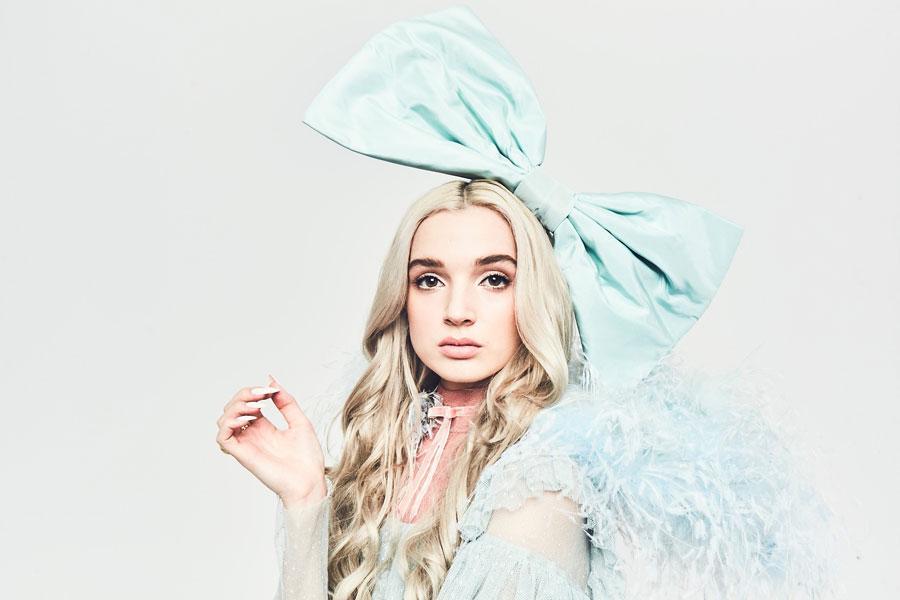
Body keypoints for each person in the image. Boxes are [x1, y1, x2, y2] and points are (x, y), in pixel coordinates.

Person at [216, 6, 839, 599]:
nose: (457, 310)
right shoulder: (383, 456)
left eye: (494, 279)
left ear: (534, 297)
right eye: (429, 280)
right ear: (399, 300)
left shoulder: (539, 478)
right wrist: (306, 499)